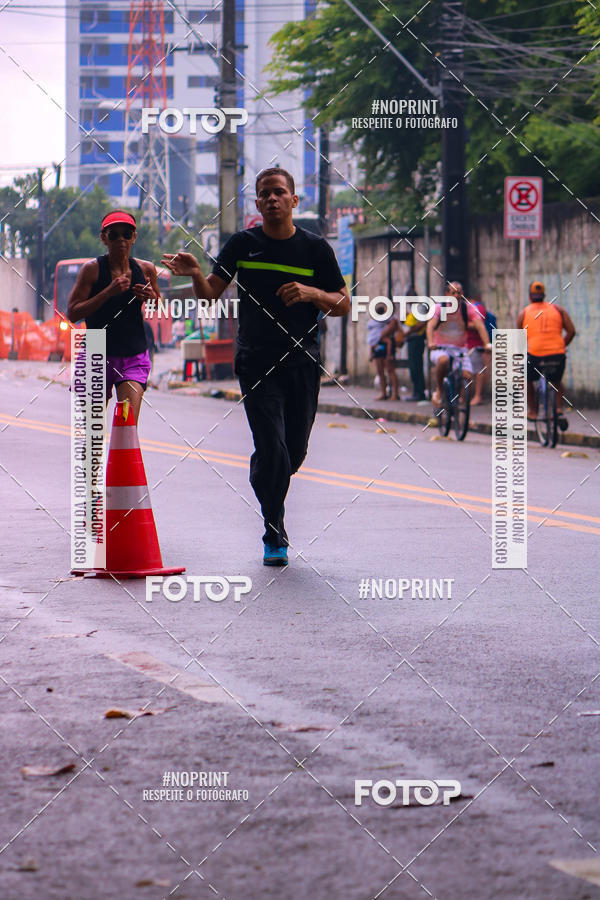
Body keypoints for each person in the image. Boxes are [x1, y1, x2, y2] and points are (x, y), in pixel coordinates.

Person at [161, 168, 350, 566]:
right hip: (257, 362)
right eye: (264, 194)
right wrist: (195, 273)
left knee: (293, 452)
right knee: (273, 449)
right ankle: (274, 531)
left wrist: (311, 293)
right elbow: (210, 295)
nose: (272, 199)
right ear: (258, 203)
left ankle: (264, 470)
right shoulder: (242, 245)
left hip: (302, 362)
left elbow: (343, 303)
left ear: (294, 200)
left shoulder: (315, 249)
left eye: (279, 192)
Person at [67, 210, 159, 422]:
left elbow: (158, 304)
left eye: (126, 234)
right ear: (103, 238)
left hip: (133, 354)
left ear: (134, 237)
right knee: (93, 434)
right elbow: (72, 312)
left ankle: (123, 445)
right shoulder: (91, 270)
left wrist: (150, 297)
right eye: (114, 234)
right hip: (96, 354)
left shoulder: (146, 269)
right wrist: (107, 292)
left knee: (126, 427)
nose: (121, 240)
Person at [517, 280, 575, 429]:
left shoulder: (523, 313)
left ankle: (533, 411)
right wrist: (561, 346)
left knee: (527, 380)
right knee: (557, 382)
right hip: (557, 355)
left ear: (530, 297)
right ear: (544, 295)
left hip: (535, 356)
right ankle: (558, 410)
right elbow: (571, 331)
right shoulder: (558, 310)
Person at [426, 281, 491, 406]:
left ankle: (460, 409)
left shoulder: (468, 308)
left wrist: (487, 344)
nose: (456, 296)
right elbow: (430, 326)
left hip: (460, 349)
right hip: (440, 348)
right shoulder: (439, 308)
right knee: (443, 361)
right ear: (447, 294)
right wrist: (430, 342)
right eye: (453, 293)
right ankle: (439, 390)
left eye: (459, 293)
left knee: (468, 378)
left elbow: (480, 326)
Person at [367, 303, 400, 401]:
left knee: (390, 370)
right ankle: (383, 393)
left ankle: (395, 394)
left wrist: (379, 336)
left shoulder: (391, 320)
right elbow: (372, 337)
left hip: (386, 346)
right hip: (377, 346)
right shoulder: (375, 322)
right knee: (380, 371)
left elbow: (391, 330)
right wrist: (371, 351)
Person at [465, 294, 490, 406]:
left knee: (478, 370)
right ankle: (465, 396)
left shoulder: (477, 307)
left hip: (475, 344)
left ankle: (478, 396)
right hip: (465, 344)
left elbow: (479, 325)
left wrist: (463, 324)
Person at [402, 294, 427, 401]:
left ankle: (419, 392)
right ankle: (416, 392)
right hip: (412, 340)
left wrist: (408, 332)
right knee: (413, 367)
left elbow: (421, 323)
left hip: (417, 340)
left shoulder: (419, 307)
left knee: (416, 366)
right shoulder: (413, 309)